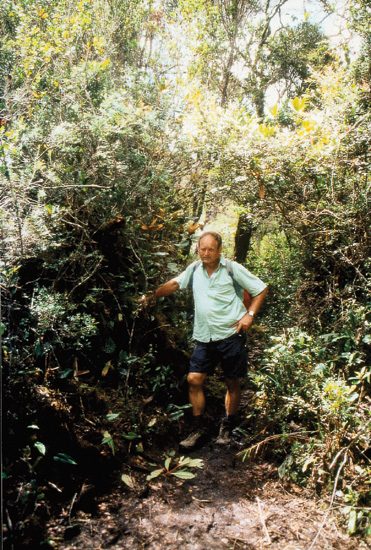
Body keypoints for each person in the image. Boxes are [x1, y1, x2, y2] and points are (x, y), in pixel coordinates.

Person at [141, 231, 267, 449]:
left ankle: (227, 424)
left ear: (219, 250)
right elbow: (173, 284)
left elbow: (260, 289)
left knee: (232, 381)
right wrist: (151, 297)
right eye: (202, 248)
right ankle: (198, 428)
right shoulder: (194, 269)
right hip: (205, 336)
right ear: (197, 249)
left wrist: (250, 315)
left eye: (211, 249)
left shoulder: (231, 268)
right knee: (193, 380)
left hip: (231, 334)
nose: (206, 253)